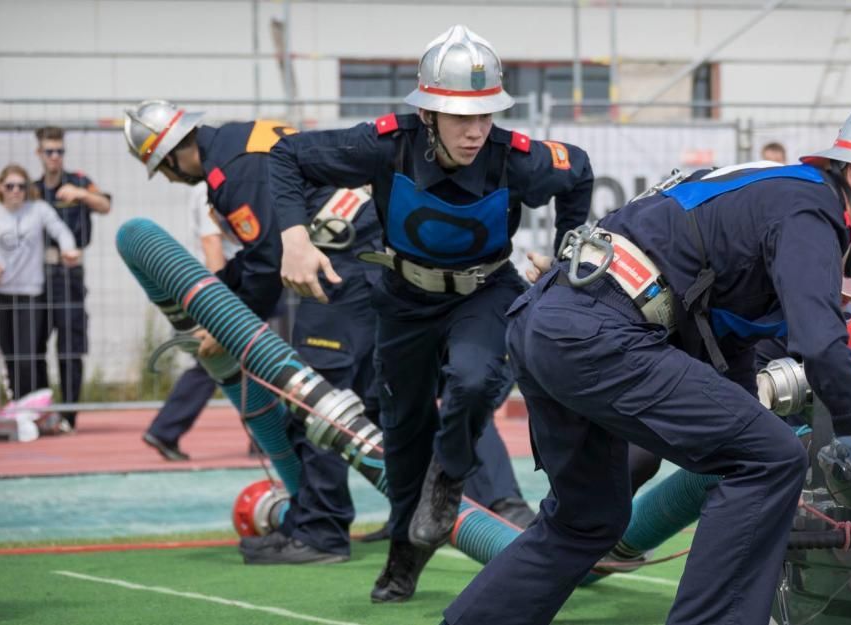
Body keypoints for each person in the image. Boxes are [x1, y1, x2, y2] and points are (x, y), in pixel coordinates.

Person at [443, 93, 851, 625]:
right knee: (771, 458)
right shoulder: (812, 207)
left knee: (587, 520)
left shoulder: (770, 198)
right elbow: (822, 343)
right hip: (597, 332)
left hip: (550, 324)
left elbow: (728, 359)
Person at [270, 24, 593, 603]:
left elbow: (579, 172)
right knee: (402, 436)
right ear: (428, 115)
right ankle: (404, 555)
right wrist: (295, 237)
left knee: (473, 380)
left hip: (485, 293)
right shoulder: (383, 143)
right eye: (459, 117)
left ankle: (447, 480)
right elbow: (286, 155)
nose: (475, 131)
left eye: (485, 115)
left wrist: (569, 258)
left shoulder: (515, 158)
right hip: (402, 299)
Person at [123, 100, 379, 566]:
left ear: (179, 152)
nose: (167, 177)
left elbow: (266, 259)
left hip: (343, 268)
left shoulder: (234, 171)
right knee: (378, 404)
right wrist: (213, 294)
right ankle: (340, 520)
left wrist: (226, 324)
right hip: (361, 261)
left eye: (161, 167)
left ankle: (322, 534)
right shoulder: (242, 140)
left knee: (312, 400)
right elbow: (263, 254)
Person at [142, 183, 237, 461]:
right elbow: (211, 242)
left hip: (225, 282)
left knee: (233, 363)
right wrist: (220, 303)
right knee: (214, 361)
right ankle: (165, 429)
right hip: (221, 285)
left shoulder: (220, 181)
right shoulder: (208, 188)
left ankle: (165, 430)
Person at [31, 127, 111, 433]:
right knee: (34, 345)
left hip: (70, 273)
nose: (55, 157)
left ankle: (69, 415)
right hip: (36, 274)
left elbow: (105, 204)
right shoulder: (32, 188)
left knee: (70, 345)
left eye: (59, 151)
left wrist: (80, 195)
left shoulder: (78, 181)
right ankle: (38, 414)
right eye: (49, 151)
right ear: (39, 154)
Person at [0, 164, 80, 404]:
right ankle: (18, 405)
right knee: (10, 357)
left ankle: (30, 405)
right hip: (3, 293)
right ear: (1, 188)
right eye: (10, 186)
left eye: (21, 186)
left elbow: (61, 230)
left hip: (31, 293)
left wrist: (68, 249)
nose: (16, 191)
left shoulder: (38, 210)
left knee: (28, 356)